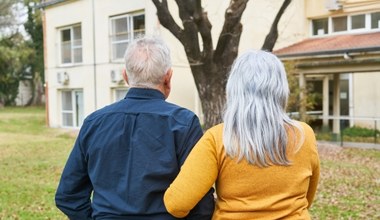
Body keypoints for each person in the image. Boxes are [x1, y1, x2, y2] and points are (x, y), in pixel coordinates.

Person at [55, 36, 215, 219]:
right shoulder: (184, 123)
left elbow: (68, 195)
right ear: (168, 77)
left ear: (125, 76)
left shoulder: (94, 122)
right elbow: (201, 201)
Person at [163, 50, 320, 219]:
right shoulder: (304, 136)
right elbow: (307, 198)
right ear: (281, 90)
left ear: (234, 89)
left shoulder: (218, 138)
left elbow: (177, 204)